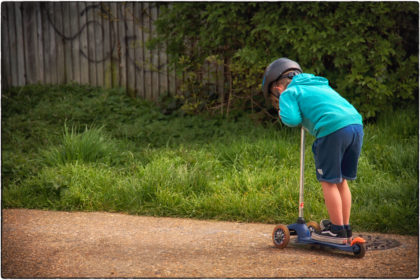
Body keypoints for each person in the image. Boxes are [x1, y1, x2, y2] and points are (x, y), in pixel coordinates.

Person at [262, 58, 364, 244]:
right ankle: (345, 229)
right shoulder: (316, 83)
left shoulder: (288, 92)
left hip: (332, 130)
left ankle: (337, 232)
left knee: (328, 181)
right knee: (341, 180)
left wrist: (281, 111)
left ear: (277, 87)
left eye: (274, 98)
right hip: (355, 125)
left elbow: (292, 119)